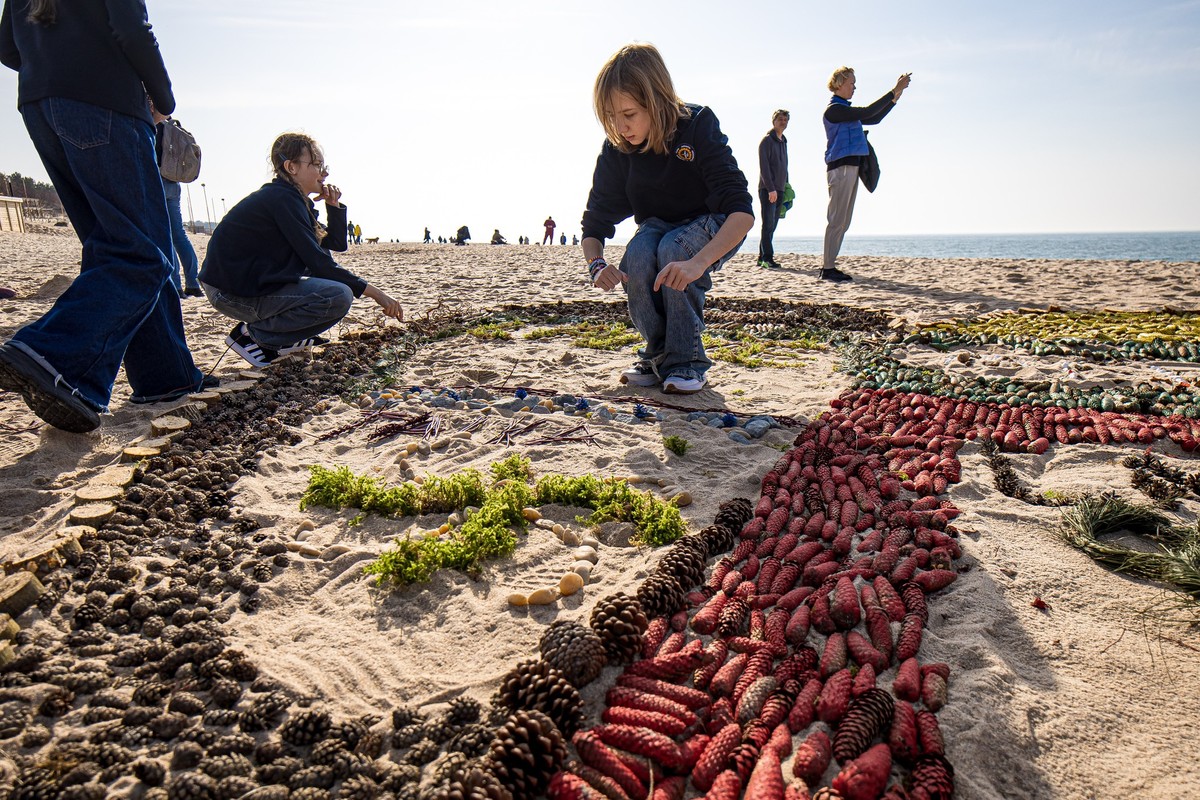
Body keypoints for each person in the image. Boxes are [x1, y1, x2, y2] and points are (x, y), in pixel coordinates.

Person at [0, 0, 209, 432]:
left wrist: (54, 59)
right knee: (144, 253)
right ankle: (51, 354)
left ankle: (167, 378)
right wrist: (163, 101)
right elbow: (133, 29)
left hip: (40, 104)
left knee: (114, 246)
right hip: (104, 103)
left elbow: (8, 48)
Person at [581, 43, 753, 395]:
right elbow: (593, 224)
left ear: (656, 100)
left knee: (673, 251)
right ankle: (658, 355)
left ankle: (687, 360)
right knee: (641, 254)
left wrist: (699, 263)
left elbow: (742, 213)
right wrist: (597, 264)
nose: (620, 126)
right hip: (658, 225)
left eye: (628, 114)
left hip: (713, 221)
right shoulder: (617, 147)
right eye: (610, 116)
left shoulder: (698, 124)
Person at [199, 132, 403, 368]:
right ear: (291, 167)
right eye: (316, 165)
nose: (324, 173)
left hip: (247, 285)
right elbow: (320, 264)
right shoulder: (281, 199)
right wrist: (378, 294)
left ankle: (283, 340)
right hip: (231, 293)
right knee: (338, 295)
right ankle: (256, 337)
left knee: (329, 276)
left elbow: (333, 245)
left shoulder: (292, 199)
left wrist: (333, 206)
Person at [821, 66, 911, 282]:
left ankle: (830, 265)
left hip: (851, 167)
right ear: (839, 84)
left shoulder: (846, 112)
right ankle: (827, 267)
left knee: (844, 221)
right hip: (840, 168)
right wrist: (893, 90)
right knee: (836, 220)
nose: (854, 87)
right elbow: (868, 112)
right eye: (851, 83)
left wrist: (896, 97)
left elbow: (875, 118)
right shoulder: (834, 109)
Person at [152, 108, 203, 296]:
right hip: (174, 183)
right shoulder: (175, 127)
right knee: (179, 235)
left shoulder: (153, 126)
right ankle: (193, 283)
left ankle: (175, 286)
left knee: (164, 235)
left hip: (157, 181)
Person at [757, 109, 789, 269]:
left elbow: (785, 167)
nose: (783, 122)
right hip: (768, 189)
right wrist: (771, 189)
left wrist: (786, 186)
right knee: (768, 224)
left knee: (773, 224)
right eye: (780, 119)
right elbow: (764, 167)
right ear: (774, 121)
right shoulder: (767, 141)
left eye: (785, 120)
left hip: (781, 189)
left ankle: (761, 257)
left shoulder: (784, 141)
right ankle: (767, 258)